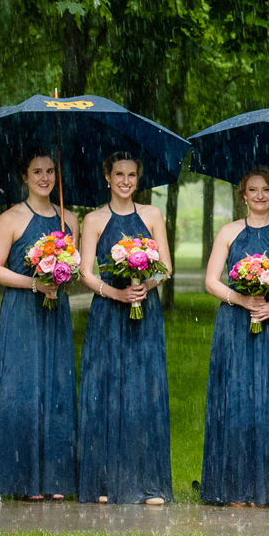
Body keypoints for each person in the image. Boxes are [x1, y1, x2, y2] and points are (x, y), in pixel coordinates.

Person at [75, 151, 174, 505]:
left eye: (132, 175)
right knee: (106, 390)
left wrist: (146, 284)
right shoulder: (94, 220)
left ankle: (148, 483)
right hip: (107, 313)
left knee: (143, 392)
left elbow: (166, 267)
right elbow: (85, 271)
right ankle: (103, 482)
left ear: (139, 177)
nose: (125, 181)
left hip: (145, 313)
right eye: (119, 174)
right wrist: (115, 292)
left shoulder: (152, 215)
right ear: (107, 176)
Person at [0, 150, 80, 500]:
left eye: (51, 171)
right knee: (22, 389)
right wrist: (34, 283)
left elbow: (74, 269)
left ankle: (55, 479)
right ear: (24, 176)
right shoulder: (10, 218)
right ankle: (22, 478)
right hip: (22, 311)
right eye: (37, 171)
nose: (44, 178)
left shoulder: (70, 218)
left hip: (56, 311)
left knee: (56, 388)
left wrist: (61, 273)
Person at [201, 167, 269, 506]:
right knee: (236, 400)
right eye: (253, 189)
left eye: (267, 190)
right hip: (234, 323)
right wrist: (242, 299)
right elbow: (212, 281)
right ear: (243, 194)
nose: (260, 195)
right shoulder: (228, 232)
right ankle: (233, 486)